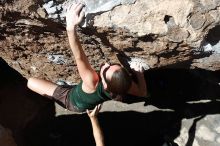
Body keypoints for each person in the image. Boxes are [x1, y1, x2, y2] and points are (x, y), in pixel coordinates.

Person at [27, 2, 147, 112]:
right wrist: (139, 73)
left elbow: (79, 56)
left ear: (104, 84)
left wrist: (70, 27)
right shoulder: (122, 85)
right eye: (112, 65)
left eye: (105, 71)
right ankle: (68, 85)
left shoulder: (92, 81)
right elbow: (142, 93)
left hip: (71, 101)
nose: (105, 65)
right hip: (87, 104)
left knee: (30, 82)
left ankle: (65, 86)